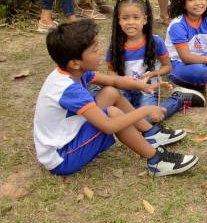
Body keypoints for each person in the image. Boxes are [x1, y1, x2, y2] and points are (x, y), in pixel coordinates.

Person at [34, 20, 198, 176]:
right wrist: (146, 110)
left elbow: (113, 81)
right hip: (62, 157)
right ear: (74, 63)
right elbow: (109, 127)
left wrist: (142, 85)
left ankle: (151, 133)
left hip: (70, 129)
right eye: (94, 50)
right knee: (112, 114)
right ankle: (156, 161)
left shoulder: (73, 71)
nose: (100, 53)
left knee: (111, 92)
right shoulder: (68, 88)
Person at [106, 0, 185, 120]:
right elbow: (110, 71)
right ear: (119, 20)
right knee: (115, 115)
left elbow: (167, 67)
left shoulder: (155, 41)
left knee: (148, 118)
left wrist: (152, 74)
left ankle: (179, 98)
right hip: (124, 89)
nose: (130, 22)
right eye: (125, 18)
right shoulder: (115, 45)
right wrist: (121, 80)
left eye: (136, 17)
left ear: (145, 20)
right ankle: (136, 112)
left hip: (148, 88)